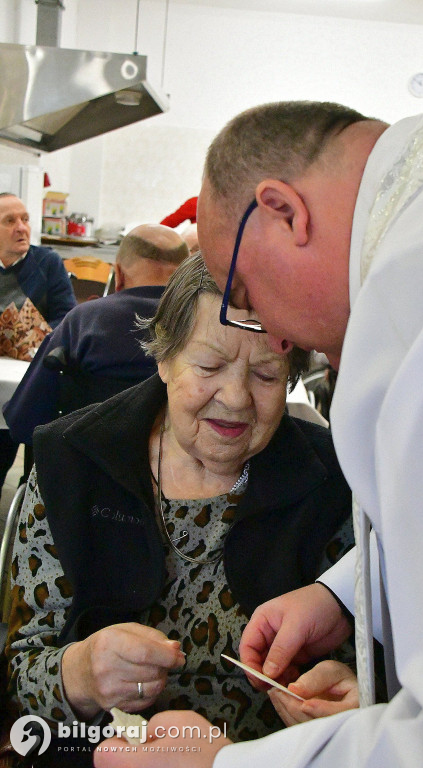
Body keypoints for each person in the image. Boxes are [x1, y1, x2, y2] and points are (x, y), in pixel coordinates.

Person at [95, 32, 423, 766]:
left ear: (284, 212)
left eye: (247, 295)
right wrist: (346, 593)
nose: (277, 340)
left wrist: (222, 764)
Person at [5, 253, 355, 766]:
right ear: (164, 357)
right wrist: (78, 673)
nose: (235, 398)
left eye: (266, 374)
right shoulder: (75, 461)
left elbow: (373, 660)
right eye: (210, 366)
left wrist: (345, 697)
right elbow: (18, 678)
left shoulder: (332, 479)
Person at [2, 223, 189, 446]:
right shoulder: (204, 323)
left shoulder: (83, 322)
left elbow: (24, 421)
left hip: (87, 469)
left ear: (118, 274)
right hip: (178, 470)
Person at [0, 192, 76, 497]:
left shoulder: (47, 262)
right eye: (10, 221)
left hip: (40, 375)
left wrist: (35, 341)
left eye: (25, 219)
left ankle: (31, 502)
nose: (22, 228)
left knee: (40, 467)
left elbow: (67, 317)